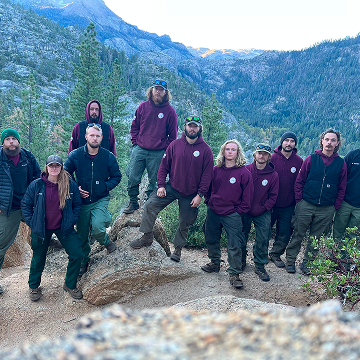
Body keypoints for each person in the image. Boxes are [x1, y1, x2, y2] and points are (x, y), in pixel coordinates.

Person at [130, 116, 213, 262]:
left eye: (195, 126)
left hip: (191, 193)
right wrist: (161, 185)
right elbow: (163, 167)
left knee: (184, 221)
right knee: (150, 205)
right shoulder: (175, 145)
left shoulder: (206, 150)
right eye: (190, 126)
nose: (192, 129)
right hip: (172, 187)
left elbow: (207, 176)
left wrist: (200, 194)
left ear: (200, 129)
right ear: (185, 127)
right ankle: (147, 236)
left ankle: (178, 249)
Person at [21, 155, 83, 301]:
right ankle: (34, 287)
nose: (54, 168)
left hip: (63, 226)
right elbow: (25, 204)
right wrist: (32, 221)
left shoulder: (70, 184)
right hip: (41, 228)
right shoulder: (37, 185)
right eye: (51, 166)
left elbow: (77, 205)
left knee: (77, 253)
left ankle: (69, 284)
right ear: (47, 167)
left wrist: (72, 220)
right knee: (38, 257)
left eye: (57, 165)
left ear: (61, 167)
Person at [285, 129, 347, 275]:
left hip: (326, 207)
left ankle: (307, 263)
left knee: (316, 238)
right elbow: (299, 181)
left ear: (337, 143)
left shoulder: (340, 163)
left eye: (333, 140)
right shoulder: (311, 159)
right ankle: (290, 260)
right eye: (327, 139)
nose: (329, 143)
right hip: (306, 203)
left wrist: (335, 206)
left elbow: (342, 187)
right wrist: (299, 201)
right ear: (322, 141)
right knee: (298, 233)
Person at [64, 124, 121, 276]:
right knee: (82, 234)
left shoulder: (108, 156)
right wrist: (75, 188)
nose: (95, 138)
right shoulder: (75, 155)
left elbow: (117, 176)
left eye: (97, 136)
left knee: (97, 227)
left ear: (101, 138)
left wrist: (104, 186)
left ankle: (106, 241)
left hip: (100, 198)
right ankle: (84, 260)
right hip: (81, 202)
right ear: (86, 137)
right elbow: (65, 174)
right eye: (92, 135)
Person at [201, 140, 253, 289]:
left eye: (233, 150)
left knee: (235, 243)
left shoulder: (244, 172)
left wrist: (238, 212)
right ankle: (214, 262)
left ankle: (234, 273)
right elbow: (208, 188)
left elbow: (247, 197)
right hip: (214, 211)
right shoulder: (215, 170)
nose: (230, 152)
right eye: (227, 149)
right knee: (211, 237)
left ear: (238, 153)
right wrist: (209, 202)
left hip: (232, 213)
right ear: (223, 151)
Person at [124, 80, 178, 214]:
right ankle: (133, 202)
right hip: (140, 149)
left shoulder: (170, 112)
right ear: (151, 90)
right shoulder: (143, 107)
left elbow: (172, 136)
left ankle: (149, 204)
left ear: (165, 93)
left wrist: (163, 148)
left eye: (161, 89)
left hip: (157, 152)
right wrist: (135, 142)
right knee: (132, 176)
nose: (158, 92)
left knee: (154, 180)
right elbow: (134, 126)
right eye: (156, 89)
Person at [0, 129, 41, 295]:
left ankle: (35, 282)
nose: (11, 142)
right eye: (7, 139)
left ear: (18, 142)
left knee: (42, 232)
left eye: (14, 139)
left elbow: (38, 177)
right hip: (9, 209)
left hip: (28, 205)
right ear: (3, 142)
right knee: (1, 246)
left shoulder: (27, 157)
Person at [242, 144, 279, 282]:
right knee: (241, 236)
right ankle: (241, 261)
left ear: (269, 157)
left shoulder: (273, 175)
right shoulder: (246, 170)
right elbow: (239, 190)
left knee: (263, 238)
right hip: (244, 209)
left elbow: (273, 196)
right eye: (259, 153)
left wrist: (262, 208)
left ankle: (259, 265)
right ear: (254, 155)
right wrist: (242, 206)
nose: (261, 156)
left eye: (264, 154)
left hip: (263, 211)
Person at [268, 132, 303, 267]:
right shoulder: (272, 158)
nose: (289, 143)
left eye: (292, 141)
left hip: (288, 204)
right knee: (265, 230)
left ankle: (275, 254)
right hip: (270, 203)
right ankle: (259, 254)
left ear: (295, 144)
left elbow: (301, 181)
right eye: (286, 140)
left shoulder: (299, 161)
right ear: (281, 142)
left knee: (284, 232)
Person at [333, 148, 360, 243]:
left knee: (353, 236)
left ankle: (345, 257)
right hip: (345, 202)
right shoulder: (353, 155)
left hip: (359, 209)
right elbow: (340, 176)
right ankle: (332, 255)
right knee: (336, 232)